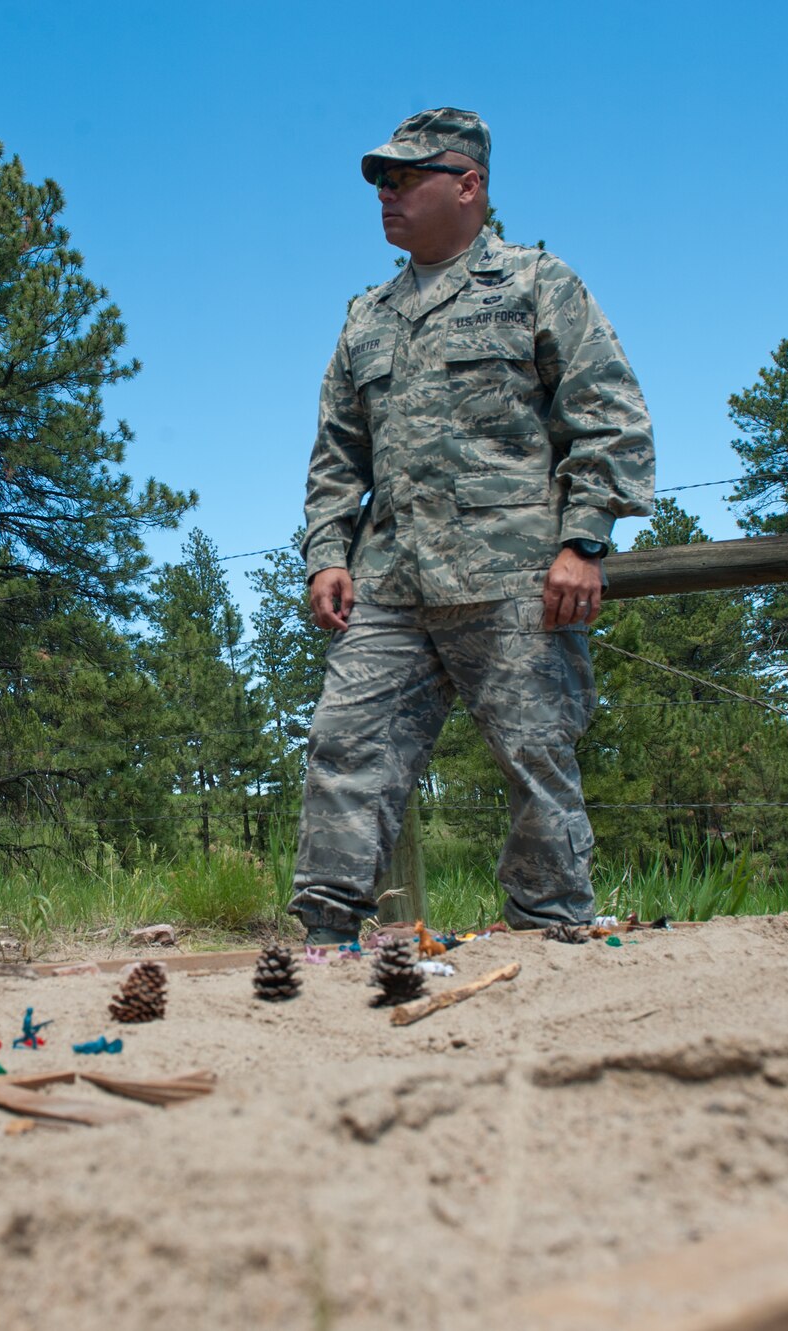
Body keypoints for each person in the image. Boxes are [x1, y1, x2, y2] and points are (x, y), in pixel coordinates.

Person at [288, 107, 653, 944]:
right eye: (382, 180)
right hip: (389, 580)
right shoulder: (366, 316)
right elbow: (338, 453)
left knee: (538, 759)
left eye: (408, 177)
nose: (389, 194)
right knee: (347, 749)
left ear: (470, 184)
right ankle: (327, 934)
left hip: (515, 577)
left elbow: (608, 415)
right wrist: (326, 554)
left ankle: (548, 924)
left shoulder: (534, 283)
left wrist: (584, 539)